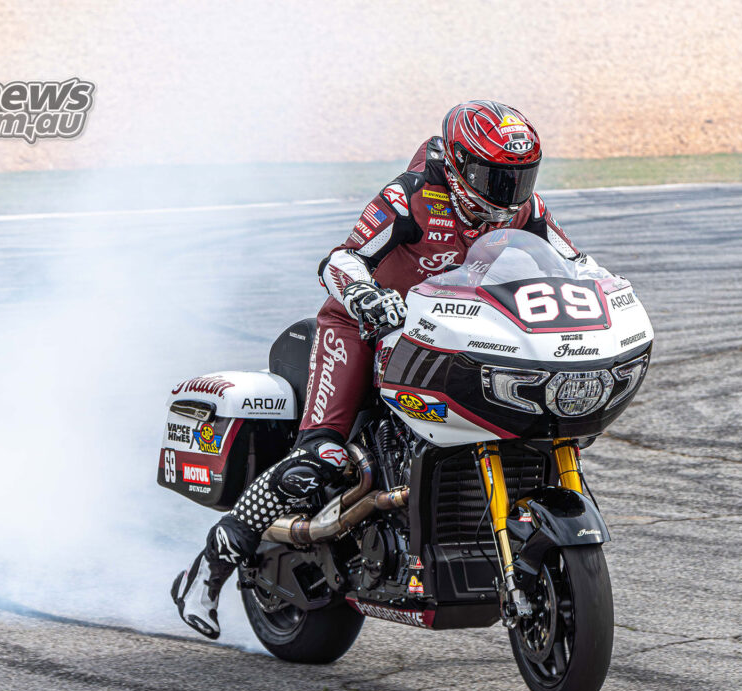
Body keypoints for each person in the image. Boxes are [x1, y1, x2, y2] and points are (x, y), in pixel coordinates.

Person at [172, 99, 583, 639]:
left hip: (448, 332)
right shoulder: (411, 196)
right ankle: (208, 571)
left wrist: (606, 292)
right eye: (496, 177)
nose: (509, 192)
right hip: (362, 327)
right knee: (321, 457)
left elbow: (575, 265)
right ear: (459, 164)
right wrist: (365, 296)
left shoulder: (524, 210)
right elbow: (341, 259)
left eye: (520, 178)